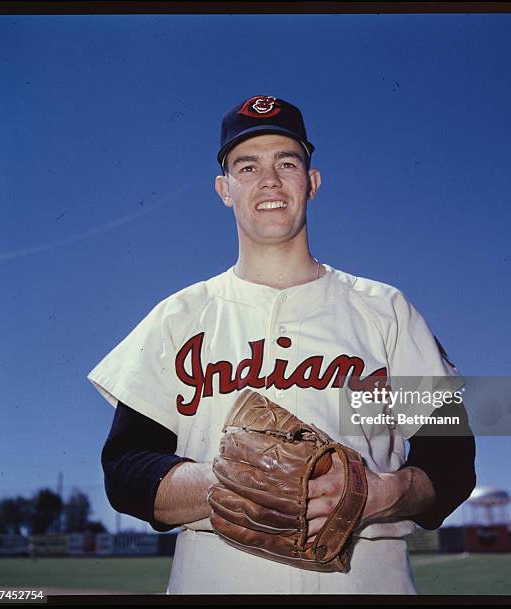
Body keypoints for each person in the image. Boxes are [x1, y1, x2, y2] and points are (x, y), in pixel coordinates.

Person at [88, 95, 476, 594]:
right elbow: (126, 470)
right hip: (216, 578)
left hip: (365, 580)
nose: (269, 180)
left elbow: (452, 460)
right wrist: (229, 483)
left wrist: (377, 493)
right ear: (224, 190)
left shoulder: (387, 310)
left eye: (286, 163)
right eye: (247, 166)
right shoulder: (177, 317)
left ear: (311, 183)